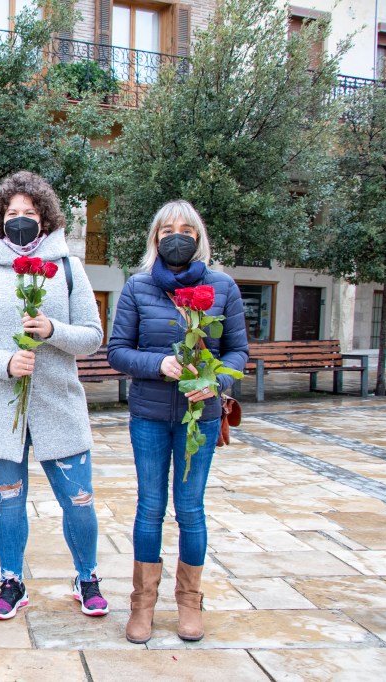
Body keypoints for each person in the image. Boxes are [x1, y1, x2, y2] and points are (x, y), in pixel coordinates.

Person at [0, 171, 107, 621]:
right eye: (12, 212)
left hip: (59, 403)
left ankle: (87, 577)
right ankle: (11, 581)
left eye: (30, 213)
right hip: (0, 408)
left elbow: (93, 336)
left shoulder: (69, 269)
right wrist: (5, 362)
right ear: (0, 219)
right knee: (9, 499)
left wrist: (53, 330)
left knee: (79, 499)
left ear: (45, 219)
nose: (20, 219)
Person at [107, 199, 248, 644]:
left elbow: (238, 351)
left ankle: (189, 602)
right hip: (149, 415)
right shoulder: (137, 287)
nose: (177, 238)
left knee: (190, 508)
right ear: (155, 238)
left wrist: (216, 382)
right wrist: (158, 364)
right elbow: (117, 351)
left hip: (200, 417)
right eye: (167, 230)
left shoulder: (222, 286)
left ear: (199, 237)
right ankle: (143, 604)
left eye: (186, 230)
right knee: (150, 507)